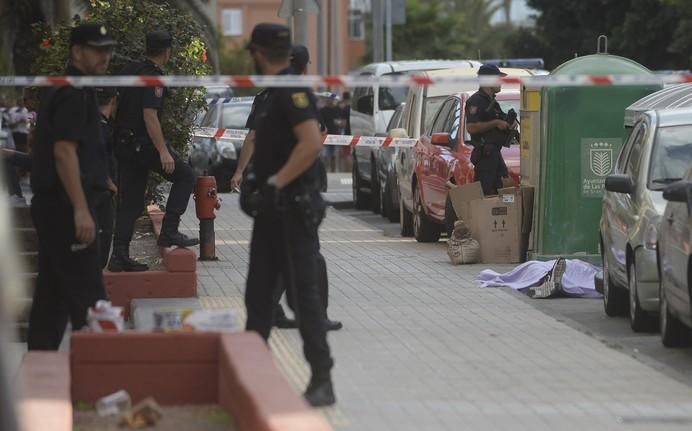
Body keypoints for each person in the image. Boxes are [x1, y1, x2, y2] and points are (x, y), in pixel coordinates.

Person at [242, 23, 336, 407]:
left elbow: (312, 143)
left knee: (302, 300)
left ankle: (321, 378)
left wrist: (277, 182)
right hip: (271, 216)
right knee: (258, 298)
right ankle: (253, 378)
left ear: (260, 53)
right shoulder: (276, 92)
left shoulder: (291, 90)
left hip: (292, 213)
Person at [232, 44, 342, 332]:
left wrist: (241, 171)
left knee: (281, 248)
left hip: (273, 185)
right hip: (298, 184)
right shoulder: (303, 97)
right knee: (306, 251)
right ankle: (312, 315)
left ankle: (273, 309)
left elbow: (252, 138)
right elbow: (316, 141)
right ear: (306, 67)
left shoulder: (266, 97)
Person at [27, 22, 116, 350]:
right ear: (77, 52)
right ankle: (101, 385)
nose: (104, 57)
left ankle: (38, 371)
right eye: (97, 50)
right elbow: (64, 152)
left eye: (108, 50)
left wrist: (99, 175)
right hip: (66, 207)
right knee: (89, 298)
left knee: (51, 298)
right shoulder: (72, 92)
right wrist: (81, 209)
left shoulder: (75, 88)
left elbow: (77, 147)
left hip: (57, 205)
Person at [109, 30, 198, 272]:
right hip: (143, 145)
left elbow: (114, 103)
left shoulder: (129, 70)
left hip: (124, 144)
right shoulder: (153, 77)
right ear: (167, 51)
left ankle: (118, 255)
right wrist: (163, 151)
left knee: (130, 202)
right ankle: (169, 232)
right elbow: (150, 116)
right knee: (185, 175)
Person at [465, 64, 517, 196]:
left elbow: (500, 124)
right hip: (485, 156)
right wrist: (496, 123)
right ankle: (483, 217)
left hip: (494, 153)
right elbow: (471, 127)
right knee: (485, 194)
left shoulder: (493, 102)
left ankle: (500, 216)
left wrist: (507, 124)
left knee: (502, 189)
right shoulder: (476, 101)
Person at [95, 87, 119, 267]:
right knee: (102, 238)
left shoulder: (97, 123)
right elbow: (97, 155)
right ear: (113, 101)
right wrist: (108, 181)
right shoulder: (99, 126)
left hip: (99, 190)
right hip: (100, 192)